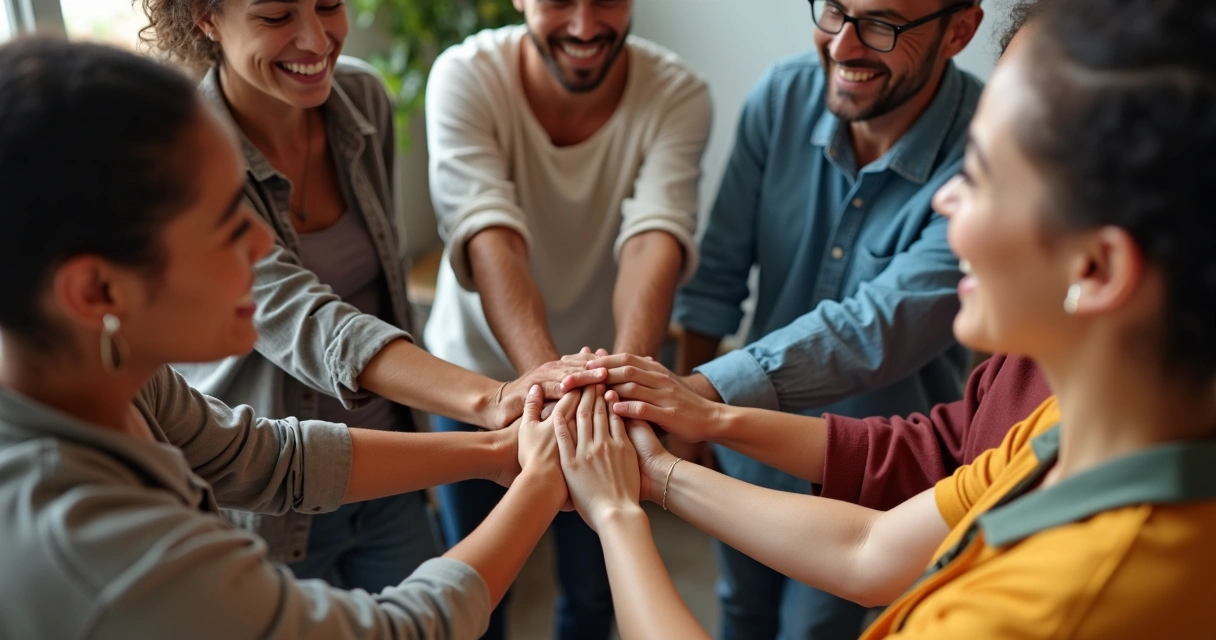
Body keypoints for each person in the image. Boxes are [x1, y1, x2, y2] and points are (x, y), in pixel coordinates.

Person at [559, 0, 1216, 636]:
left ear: (1096, 269)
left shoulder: (1027, 612)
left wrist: (617, 513)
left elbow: (871, 333)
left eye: (985, 174)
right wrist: (681, 446)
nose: (949, 198)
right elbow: (870, 548)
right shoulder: (1065, 426)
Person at [0, 38, 595, 639]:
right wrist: (540, 482)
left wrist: (498, 454)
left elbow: (263, 458)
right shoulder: (98, 553)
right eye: (229, 226)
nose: (265, 248)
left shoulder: (111, 373)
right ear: (98, 291)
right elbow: (394, 633)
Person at [138, 0, 605, 592]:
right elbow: (308, 320)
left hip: (391, 465)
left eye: (329, 5)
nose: (315, 39)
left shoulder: (360, 99)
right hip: (271, 495)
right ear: (206, 19)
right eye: (276, 17)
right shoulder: (187, 152)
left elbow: (382, 289)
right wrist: (494, 402)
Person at [584, 0, 986, 636]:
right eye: (833, 10)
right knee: (740, 612)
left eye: (881, 25)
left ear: (959, 30)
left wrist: (696, 395)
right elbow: (717, 272)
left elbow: (876, 328)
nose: (844, 46)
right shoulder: (782, 95)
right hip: (741, 450)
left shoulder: (988, 155)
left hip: (870, 481)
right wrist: (691, 424)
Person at [421, 0, 712, 636]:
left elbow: (652, 240)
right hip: (476, 380)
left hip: (601, 391)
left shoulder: (677, 93)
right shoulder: (464, 75)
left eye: (605, 0)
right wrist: (548, 383)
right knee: (476, 594)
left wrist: (616, 383)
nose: (584, 27)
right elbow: (490, 237)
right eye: (557, 2)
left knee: (593, 592)